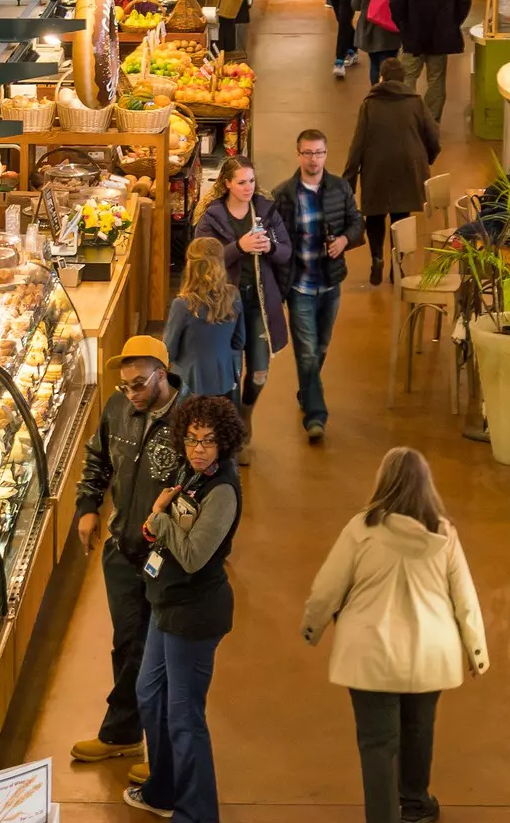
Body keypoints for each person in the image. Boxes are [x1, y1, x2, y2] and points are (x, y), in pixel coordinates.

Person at [302, 448, 489, 823]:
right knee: (419, 730)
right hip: (430, 651)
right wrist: (476, 651)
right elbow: (465, 598)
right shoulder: (444, 534)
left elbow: (328, 588)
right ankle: (416, 805)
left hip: (370, 651)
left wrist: (313, 627)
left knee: (377, 743)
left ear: (382, 481)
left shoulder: (361, 529)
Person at [71, 335, 188, 769]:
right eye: (125, 386)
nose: (132, 394)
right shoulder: (119, 408)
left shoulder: (189, 422)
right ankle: (123, 735)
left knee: (159, 656)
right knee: (127, 643)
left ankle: (163, 756)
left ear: (163, 374)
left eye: (139, 384)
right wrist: (87, 507)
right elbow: (98, 459)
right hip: (122, 551)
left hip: (168, 558)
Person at [129, 394, 246, 822]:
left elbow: (195, 556)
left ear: (224, 444)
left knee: (184, 718)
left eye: (209, 441)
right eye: (193, 439)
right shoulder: (191, 472)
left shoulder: (222, 491)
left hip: (195, 615)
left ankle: (196, 813)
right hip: (167, 601)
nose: (198, 448)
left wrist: (158, 518)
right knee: (149, 693)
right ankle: (163, 788)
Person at [271, 129, 366, 442]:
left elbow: (356, 222)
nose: (314, 159)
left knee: (321, 348)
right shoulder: (284, 194)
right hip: (299, 286)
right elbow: (277, 239)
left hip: (329, 283)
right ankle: (316, 417)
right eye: (308, 153)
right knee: (307, 353)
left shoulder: (339, 188)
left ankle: (307, 390)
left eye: (319, 153)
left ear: (326, 154)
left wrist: (343, 239)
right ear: (298, 154)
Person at [195, 155, 290, 463]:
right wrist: (239, 248)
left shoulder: (265, 210)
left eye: (251, 181)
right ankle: (234, 435)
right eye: (241, 182)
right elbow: (201, 260)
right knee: (232, 375)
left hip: (260, 304)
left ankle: (246, 413)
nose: (248, 188)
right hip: (226, 309)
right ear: (226, 184)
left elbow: (287, 250)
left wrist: (271, 248)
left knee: (260, 371)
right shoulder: (212, 217)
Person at [344, 59, 442, 285]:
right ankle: (397, 264)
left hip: (376, 167)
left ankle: (377, 257)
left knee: (376, 214)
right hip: (407, 166)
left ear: (382, 77)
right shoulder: (416, 101)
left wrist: (350, 177)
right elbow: (433, 136)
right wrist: (427, 158)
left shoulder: (370, 103)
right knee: (401, 215)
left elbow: (358, 142)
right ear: (404, 78)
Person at [389, 0, 471, 126]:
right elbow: (465, 2)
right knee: (436, 79)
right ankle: (431, 120)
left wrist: (404, 27)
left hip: (413, 38)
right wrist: (452, 23)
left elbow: (395, 5)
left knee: (407, 76)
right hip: (440, 38)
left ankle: (407, 117)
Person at [165, 238, 245, 402]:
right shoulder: (233, 295)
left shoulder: (183, 304)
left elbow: (168, 352)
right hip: (224, 380)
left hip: (188, 384)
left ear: (190, 265)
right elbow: (239, 341)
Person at [353, 0, 404, 80]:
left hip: (369, 29)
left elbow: (355, 5)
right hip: (391, 29)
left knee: (375, 64)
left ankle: (377, 93)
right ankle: (390, 92)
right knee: (391, 66)